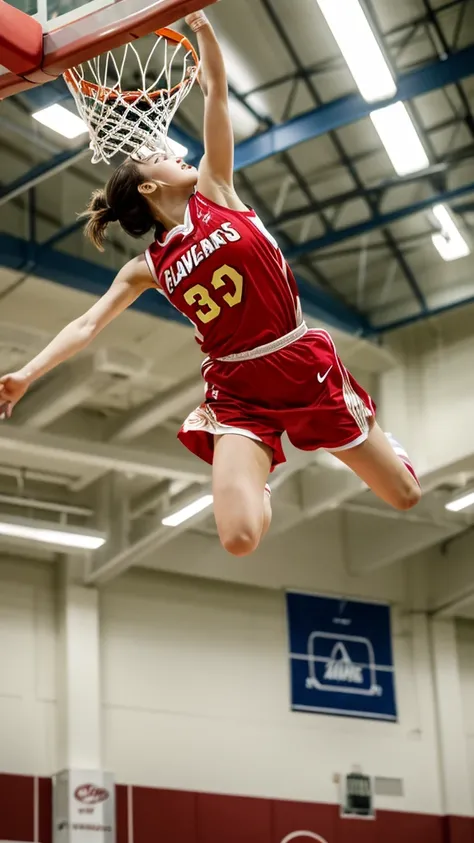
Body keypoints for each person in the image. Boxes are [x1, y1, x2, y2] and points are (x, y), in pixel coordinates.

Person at [0, 10, 421, 557]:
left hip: (298, 363)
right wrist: (27, 375)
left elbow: (216, 92)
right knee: (240, 538)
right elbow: (85, 325)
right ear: (150, 185)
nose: (175, 151)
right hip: (237, 388)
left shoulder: (216, 190)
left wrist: (201, 26)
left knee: (406, 496)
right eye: (161, 155)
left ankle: (382, 445)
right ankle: (258, 472)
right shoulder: (146, 266)